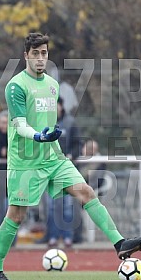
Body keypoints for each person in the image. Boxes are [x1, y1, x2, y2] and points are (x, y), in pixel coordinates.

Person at [0, 32, 141, 280]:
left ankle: (120, 243)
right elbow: (19, 125)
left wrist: (50, 138)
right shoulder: (16, 86)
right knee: (16, 215)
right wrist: (39, 136)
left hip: (53, 158)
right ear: (26, 56)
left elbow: (49, 124)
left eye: (44, 53)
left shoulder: (52, 86)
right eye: (35, 54)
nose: (40, 59)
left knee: (86, 192)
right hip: (25, 161)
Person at [44, 97, 81, 247]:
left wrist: (71, 155)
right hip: (50, 171)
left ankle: (68, 237)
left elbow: (78, 144)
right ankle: (52, 236)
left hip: (67, 171)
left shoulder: (70, 122)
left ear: (60, 106)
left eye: (56, 105)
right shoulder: (44, 123)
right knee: (51, 205)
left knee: (68, 205)